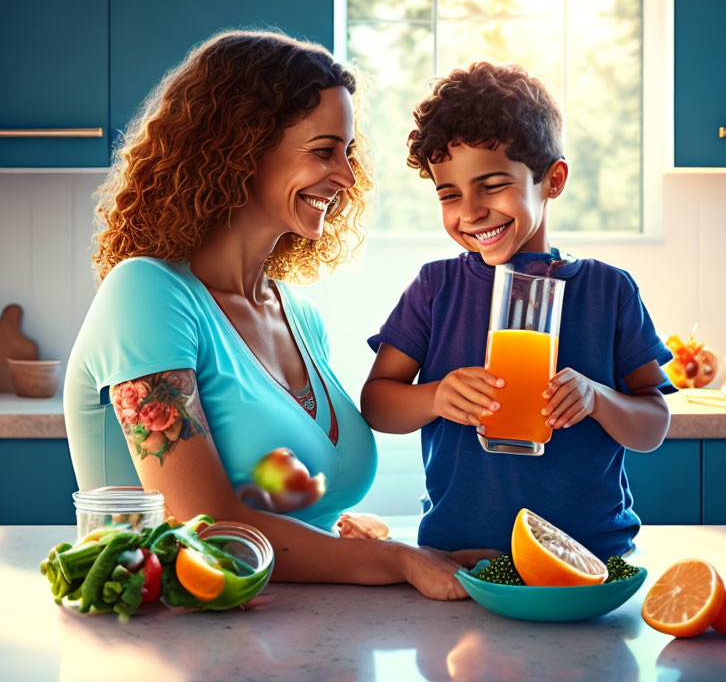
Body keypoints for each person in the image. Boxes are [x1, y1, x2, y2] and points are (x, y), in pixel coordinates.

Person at [64, 30, 492, 600]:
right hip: (168, 642)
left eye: (346, 152)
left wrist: (345, 540)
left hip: (289, 628)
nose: (344, 175)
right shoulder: (146, 293)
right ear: (239, 148)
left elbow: (280, 501)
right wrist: (398, 560)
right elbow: (204, 528)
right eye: (322, 151)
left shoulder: (300, 315)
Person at [361, 62, 675, 560]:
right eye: (449, 194)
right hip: (461, 556)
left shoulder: (608, 291)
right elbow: (378, 404)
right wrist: (437, 397)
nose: (469, 212)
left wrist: (597, 398)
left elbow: (653, 425)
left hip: (590, 556)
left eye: (491, 185)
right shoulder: (435, 287)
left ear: (553, 180)